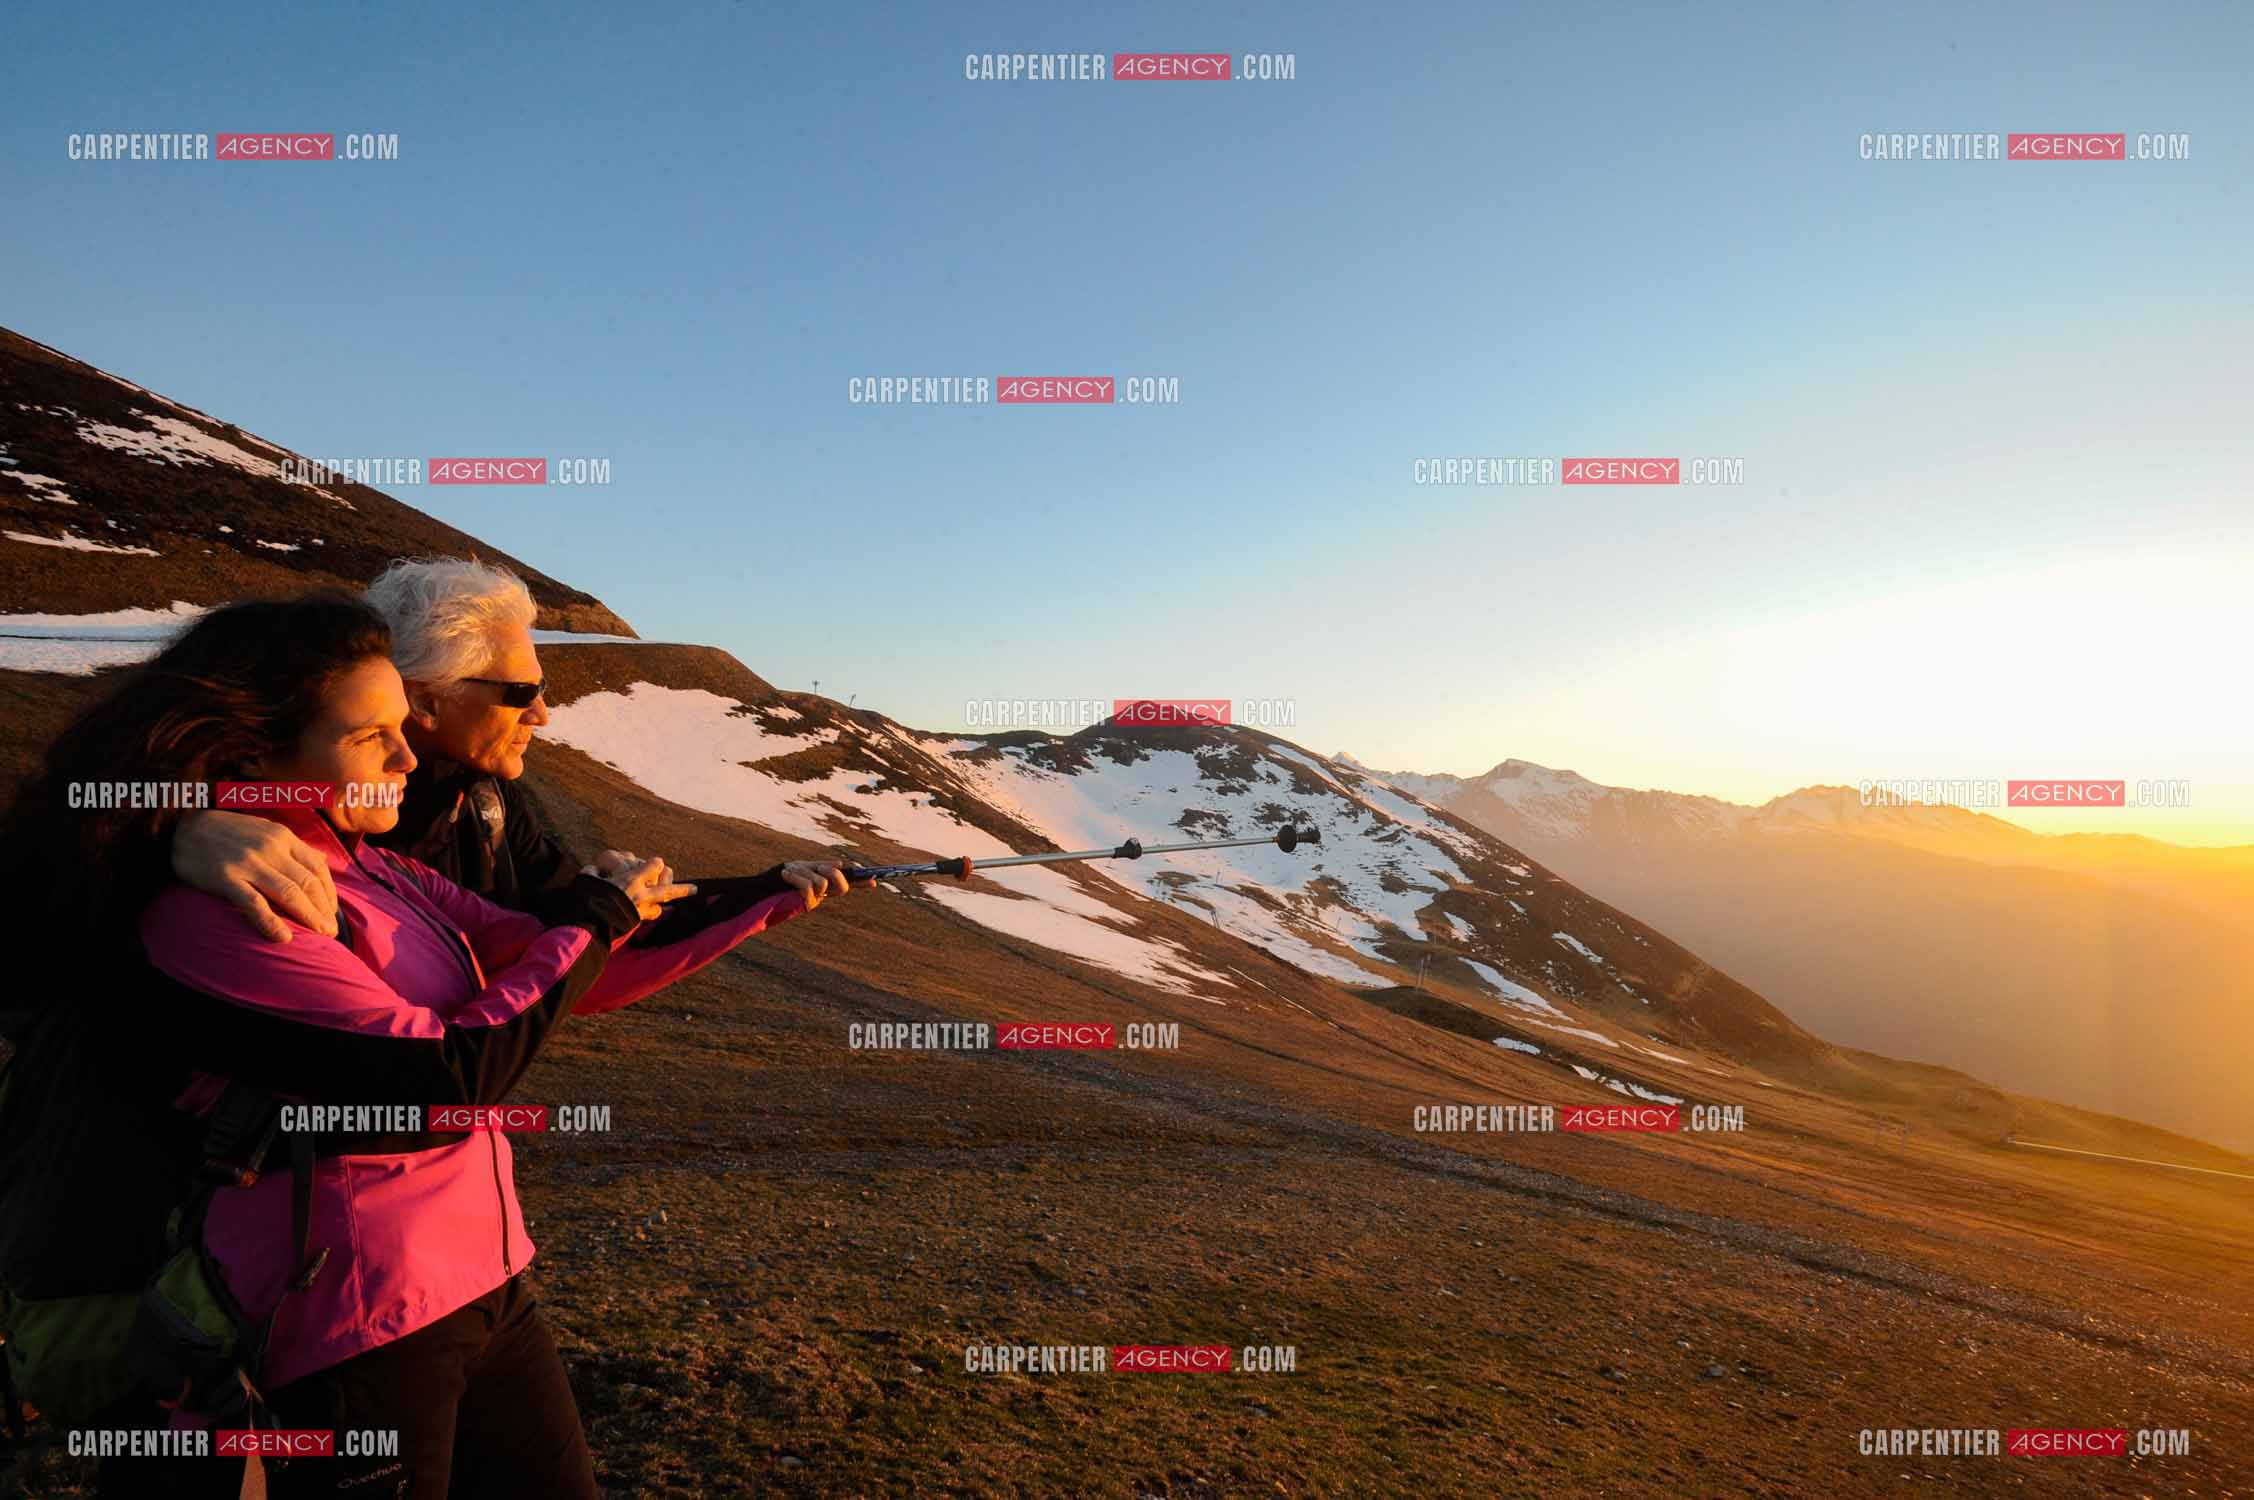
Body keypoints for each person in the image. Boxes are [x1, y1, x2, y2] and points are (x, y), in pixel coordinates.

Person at [0, 592, 847, 1497]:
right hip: (349, 1305)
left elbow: (537, 949)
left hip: (482, 1274)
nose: (405, 756)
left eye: (403, 728)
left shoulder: (373, 863)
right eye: (373, 738)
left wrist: (756, 900)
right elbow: (445, 1073)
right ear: (255, 750)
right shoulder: (227, 904)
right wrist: (594, 919)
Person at [169, 557, 850, 940]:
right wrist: (181, 830)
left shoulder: (485, 800)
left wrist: (763, 888)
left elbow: (558, 922)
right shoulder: (255, 819)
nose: (543, 715)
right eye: (521, 692)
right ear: (429, 699)